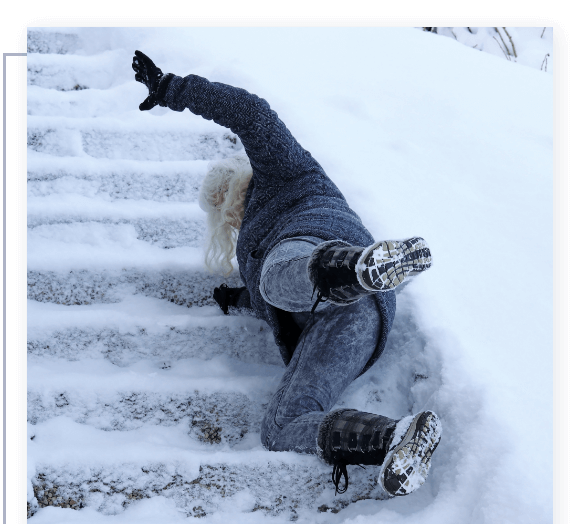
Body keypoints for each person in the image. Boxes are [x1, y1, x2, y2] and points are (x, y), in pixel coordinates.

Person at [132, 50, 442, 497]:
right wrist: (234, 299)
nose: (228, 213)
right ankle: (396, 438)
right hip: (355, 322)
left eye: (222, 198)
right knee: (280, 427)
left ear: (238, 179)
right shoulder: (253, 254)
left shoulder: (285, 175)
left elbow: (253, 114)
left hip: (317, 244)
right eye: (221, 212)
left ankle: (361, 268)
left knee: (277, 274)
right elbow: (266, 300)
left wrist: (172, 90)